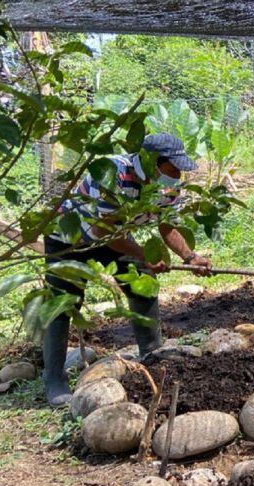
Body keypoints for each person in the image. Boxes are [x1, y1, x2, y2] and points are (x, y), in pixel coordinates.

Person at [43, 133, 213, 406]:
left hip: (116, 236)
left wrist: (190, 256)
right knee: (63, 304)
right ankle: (53, 379)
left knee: (141, 282)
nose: (178, 173)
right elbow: (102, 229)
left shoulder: (167, 186)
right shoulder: (113, 173)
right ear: (152, 161)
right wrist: (145, 254)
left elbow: (167, 225)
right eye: (174, 166)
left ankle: (151, 354)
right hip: (70, 238)